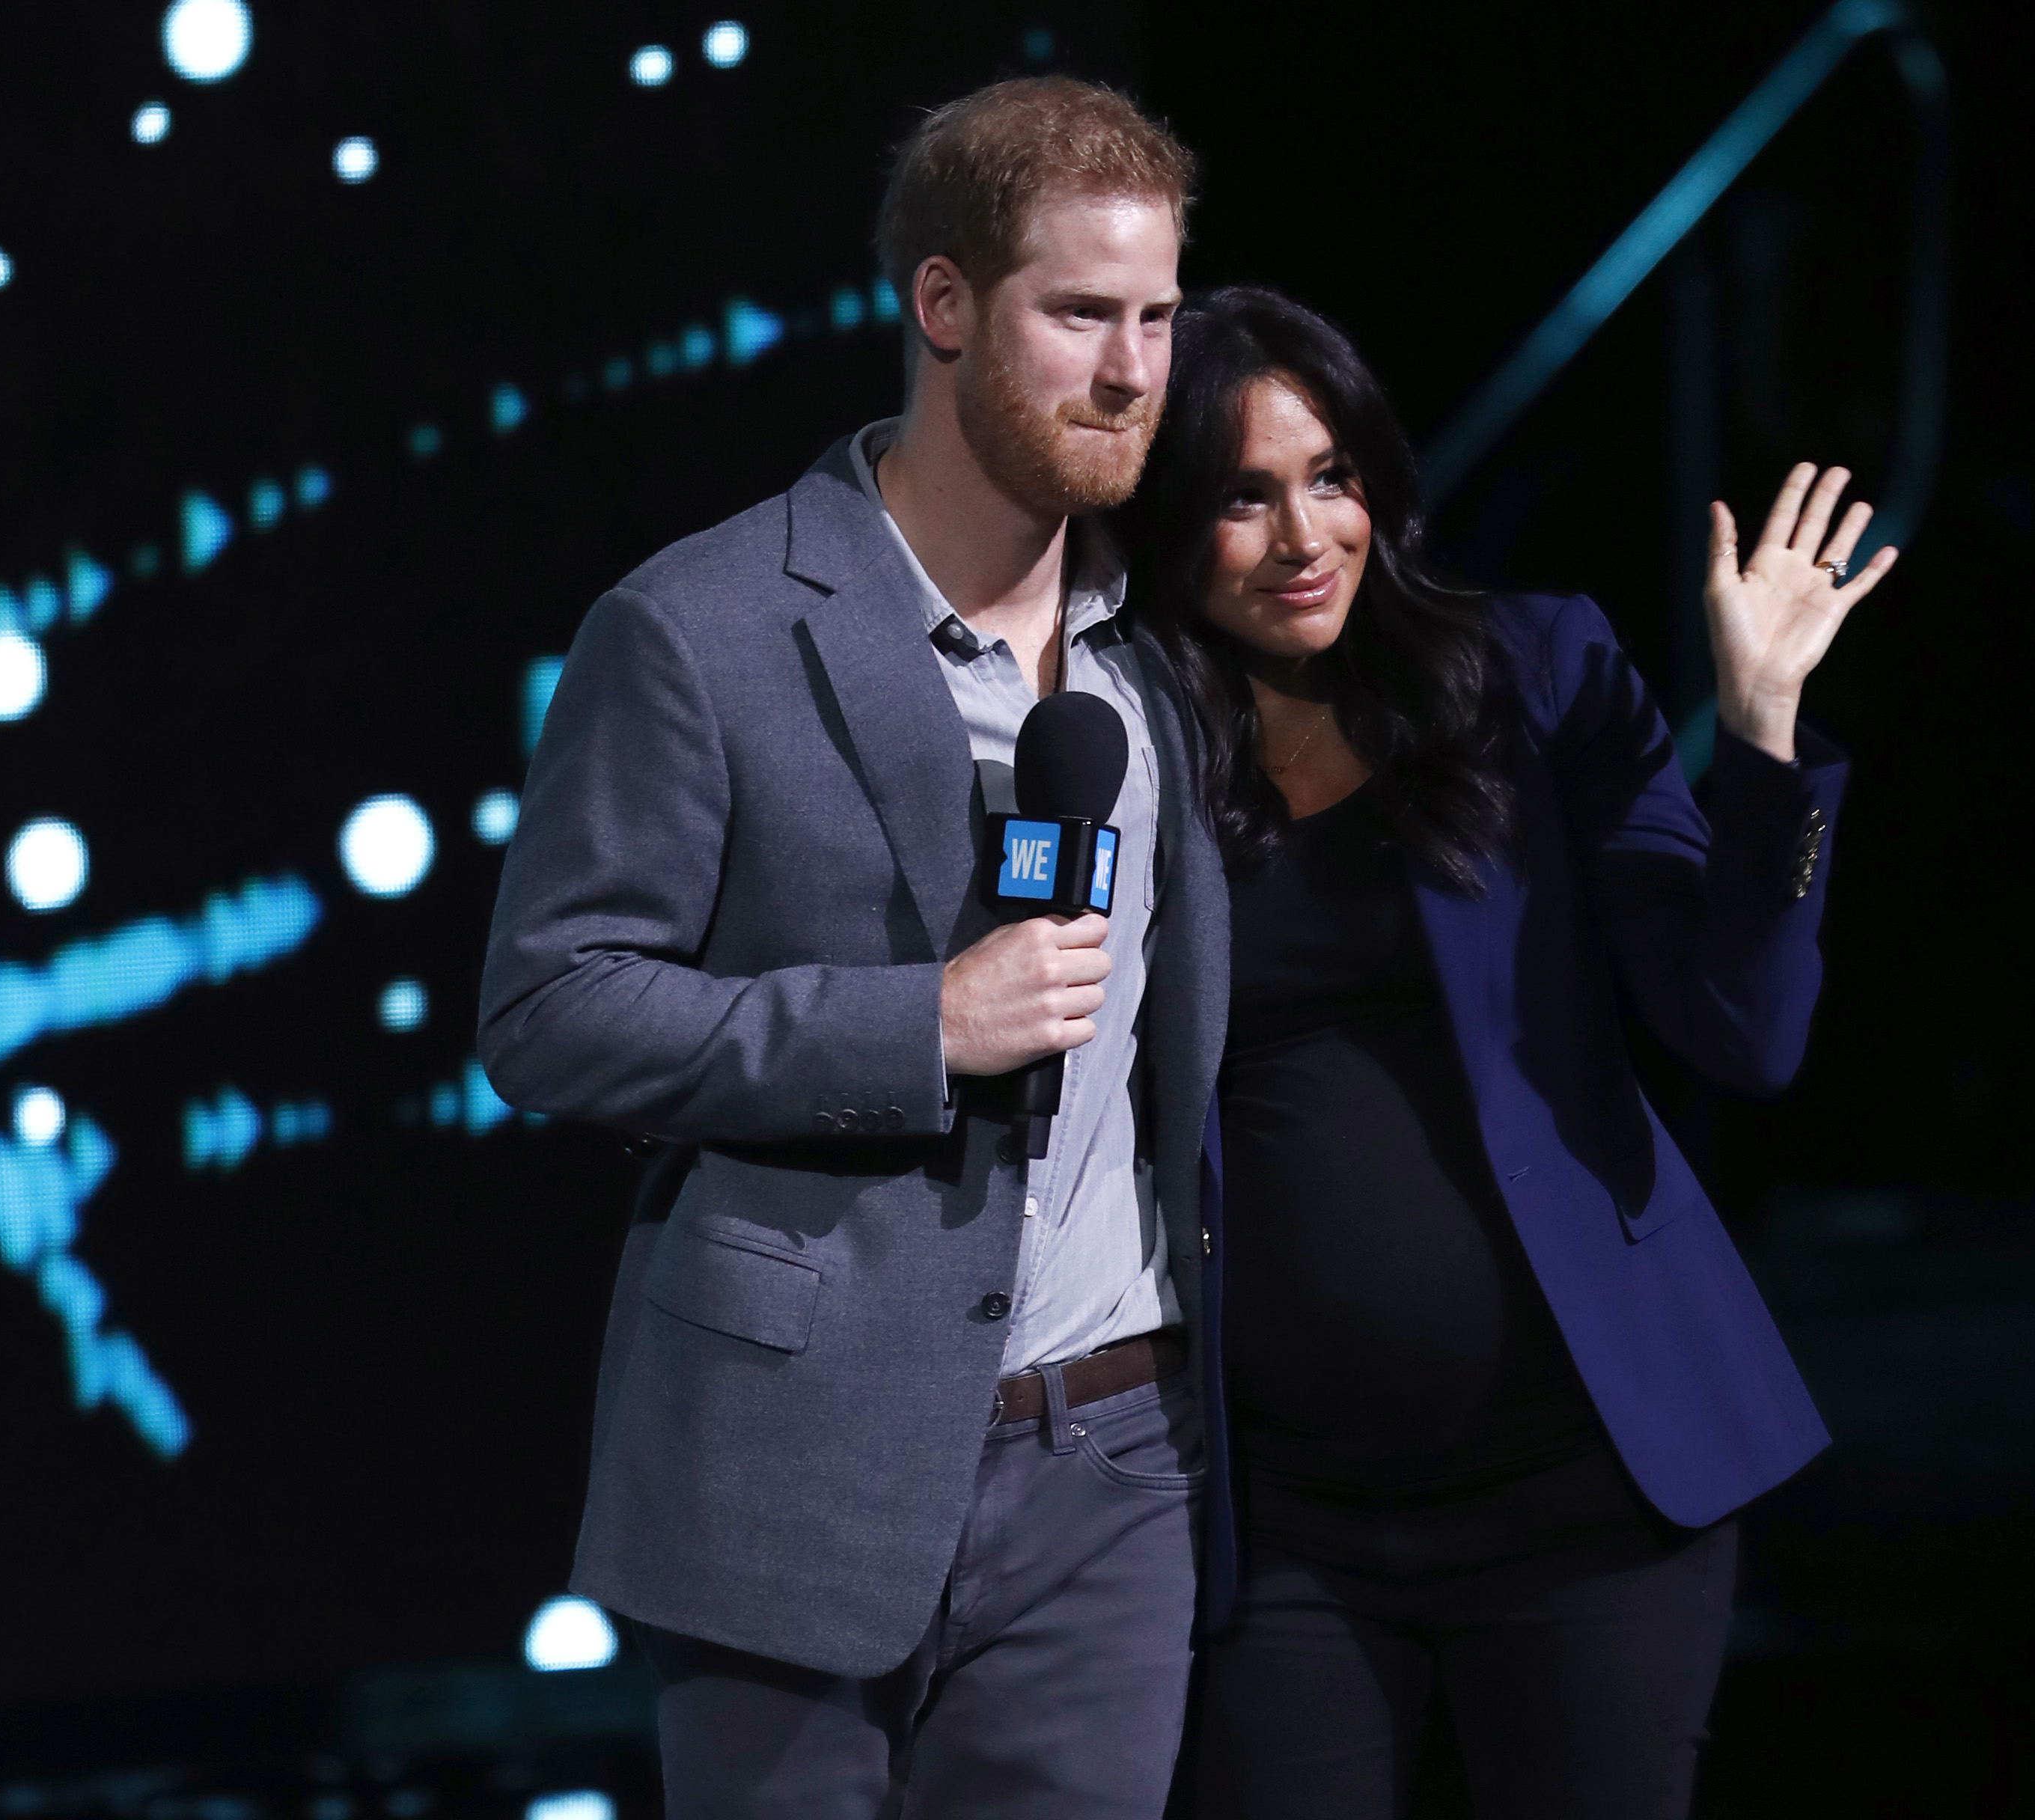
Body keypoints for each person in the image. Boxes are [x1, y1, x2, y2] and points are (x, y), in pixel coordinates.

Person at [477, 79, 1232, 1819]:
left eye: (1157, 319)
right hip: (792, 1465)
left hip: (1117, 1460)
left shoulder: (1163, 652)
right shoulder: (702, 625)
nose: (1130, 371)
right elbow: (549, 1010)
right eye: (1079, 315)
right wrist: (919, 1025)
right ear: (946, 306)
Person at [1116, 286, 1894, 1819]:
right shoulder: (1122, 747)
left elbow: (1744, 1027)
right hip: (1287, 1525)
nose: (1303, 536)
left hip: (1588, 1490)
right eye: (1242, 497)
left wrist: (1762, 734)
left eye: (1331, 477)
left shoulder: (1537, 675)